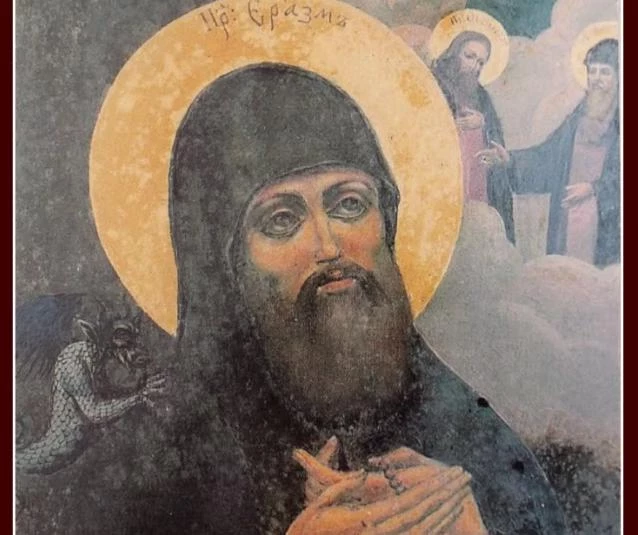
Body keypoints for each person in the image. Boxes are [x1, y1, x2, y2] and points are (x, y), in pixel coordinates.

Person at [165, 63, 566, 534]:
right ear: (226, 267)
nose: (328, 246)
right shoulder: (172, 461)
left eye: (349, 205)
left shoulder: (468, 435)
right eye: (281, 220)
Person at [508, 39, 620, 266]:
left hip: (604, 220)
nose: (596, 79)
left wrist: (593, 188)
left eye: (605, 72)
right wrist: (509, 160)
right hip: (568, 213)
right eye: (592, 71)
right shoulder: (579, 115)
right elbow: (547, 155)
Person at [432, 31, 515, 243]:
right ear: (453, 53)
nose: (475, 67)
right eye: (469, 57)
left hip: (477, 181)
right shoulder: (432, 85)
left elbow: (495, 139)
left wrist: (483, 124)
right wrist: (451, 126)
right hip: (445, 181)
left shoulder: (482, 96)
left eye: (481, 62)